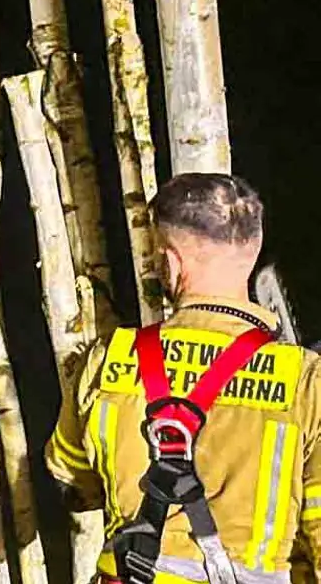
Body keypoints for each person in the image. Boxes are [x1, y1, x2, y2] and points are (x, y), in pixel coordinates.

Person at [45, 173, 321, 583]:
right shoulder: (305, 380)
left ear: (171, 261)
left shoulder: (107, 359)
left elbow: (71, 481)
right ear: (252, 250)